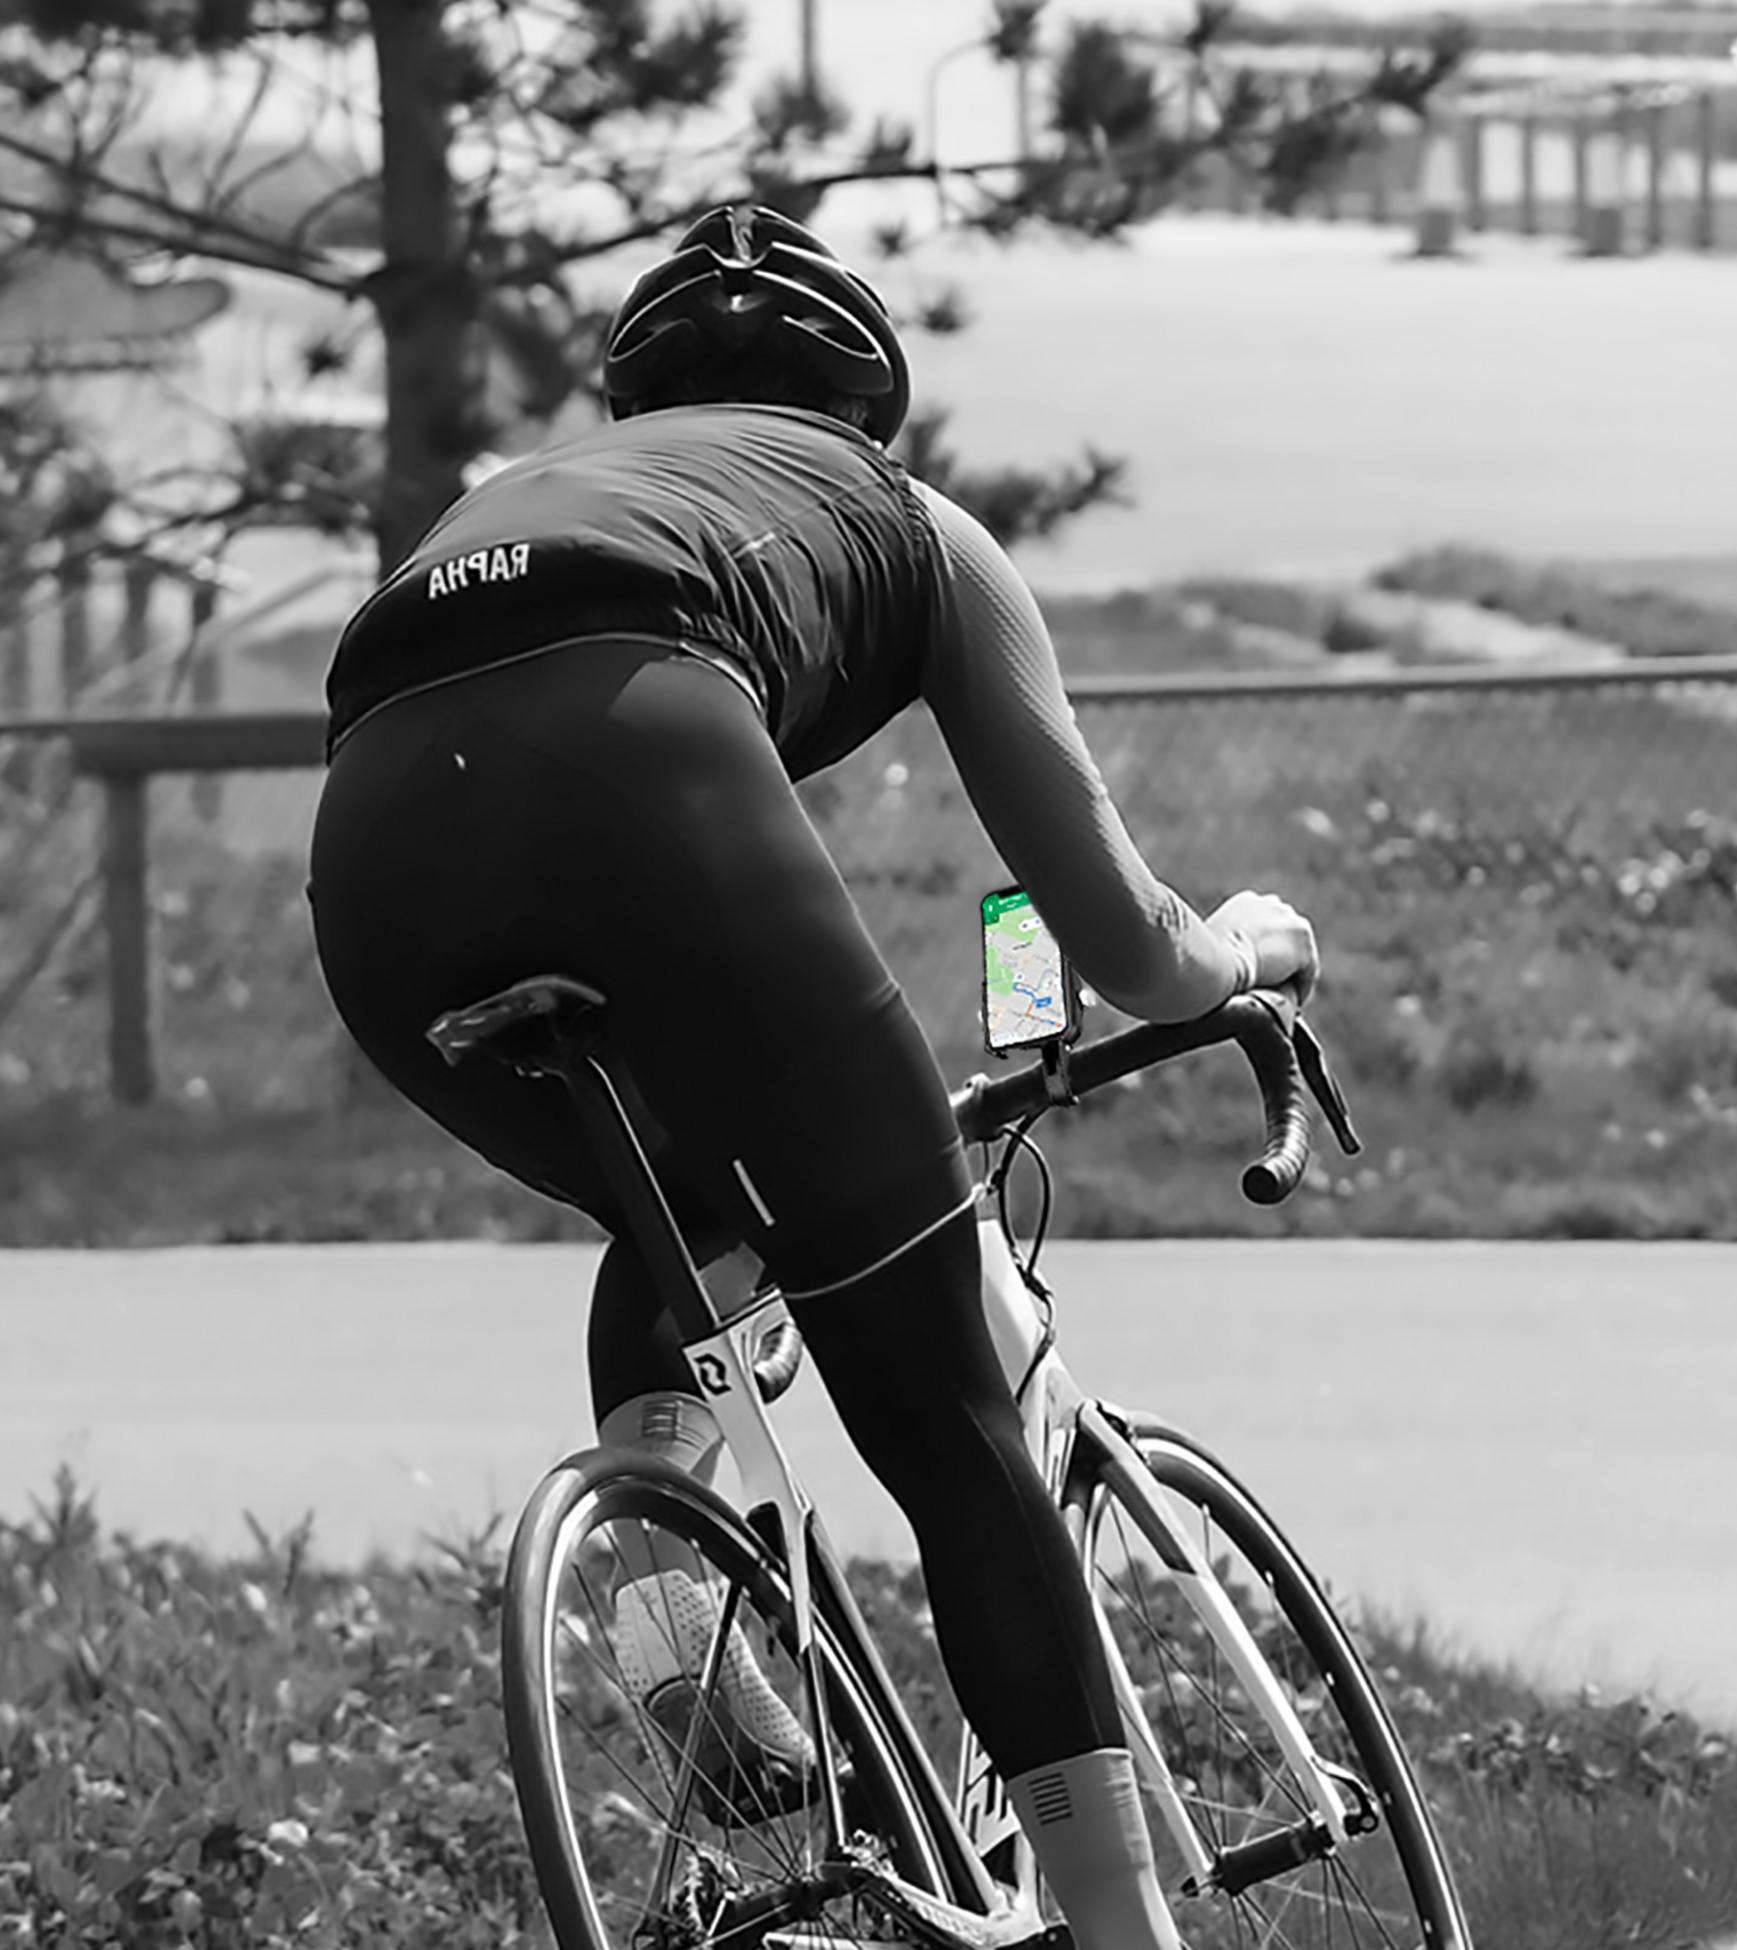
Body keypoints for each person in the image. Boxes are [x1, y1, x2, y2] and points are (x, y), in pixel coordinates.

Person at [308, 202, 1317, 1950]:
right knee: (938, 1402)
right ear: (870, 408)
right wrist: (1249, 954)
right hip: (641, 767)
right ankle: (1120, 1928)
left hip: (376, 848)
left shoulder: (531, 491)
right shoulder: (906, 524)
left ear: (633, 407)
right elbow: (1126, 940)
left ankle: (681, 1648)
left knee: (691, 1208)